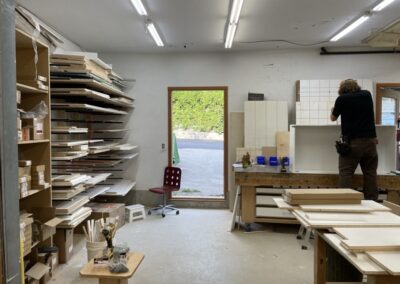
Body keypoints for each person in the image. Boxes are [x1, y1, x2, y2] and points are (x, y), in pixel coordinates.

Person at [330, 79, 378, 200]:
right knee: (370, 173)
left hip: (351, 143)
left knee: (346, 173)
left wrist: (333, 110)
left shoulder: (342, 99)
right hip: (370, 142)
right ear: (356, 87)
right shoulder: (367, 94)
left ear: (342, 89)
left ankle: (346, 202)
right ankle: (372, 203)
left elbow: (333, 118)